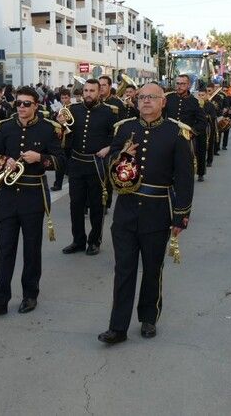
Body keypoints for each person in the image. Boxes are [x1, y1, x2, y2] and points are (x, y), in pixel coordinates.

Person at [98, 82, 194, 345]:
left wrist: (181, 215)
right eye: (142, 97)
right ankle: (117, 327)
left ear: (163, 102)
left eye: (152, 97)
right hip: (126, 210)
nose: (146, 101)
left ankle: (149, 317)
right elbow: (109, 162)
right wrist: (121, 157)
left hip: (157, 210)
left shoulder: (177, 132)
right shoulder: (124, 128)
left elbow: (184, 178)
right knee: (124, 269)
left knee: (152, 268)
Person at [0, 87, 65, 316]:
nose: (21, 107)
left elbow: (61, 161)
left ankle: (30, 295)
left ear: (36, 105)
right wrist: (4, 161)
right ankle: (0, 299)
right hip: (8, 196)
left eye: (27, 103)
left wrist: (40, 158)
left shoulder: (48, 129)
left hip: (33, 196)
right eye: (18, 103)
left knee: (31, 250)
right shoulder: (5, 127)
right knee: (5, 249)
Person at [60, 79, 118, 256]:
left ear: (99, 92)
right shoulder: (73, 110)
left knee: (97, 205)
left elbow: (117, 137)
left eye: (92, 91)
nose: (88, 94)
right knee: (76, 205)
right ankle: (78, 241)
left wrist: (108, 148)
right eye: (86, 90)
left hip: (96, 164)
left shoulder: (109, 112)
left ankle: (94, 241)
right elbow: (66, 135)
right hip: (77, 163)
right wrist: (61, 124)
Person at [50, 89, 73, 191]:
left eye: (66, 98)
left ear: (69, 97)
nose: (64, 100)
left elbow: (73, 123)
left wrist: (66, 120)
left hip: (70, 138)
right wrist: (55, 115)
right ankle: (57, 184)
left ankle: (72, 183)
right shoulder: (59, 108)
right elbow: (53, 123)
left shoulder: (73, 108)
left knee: (71, 162)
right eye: (62, 98)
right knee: (59, 162)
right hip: (60, 138)